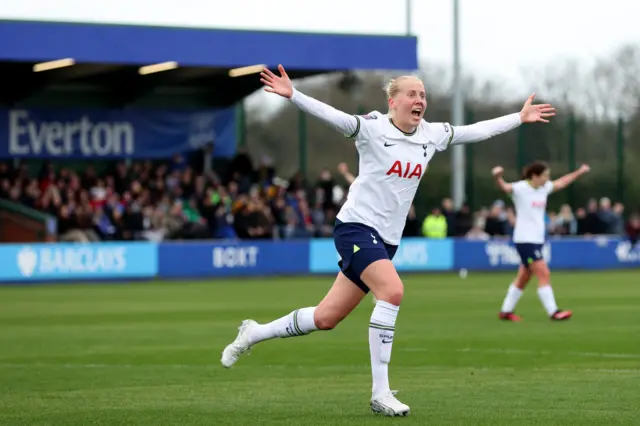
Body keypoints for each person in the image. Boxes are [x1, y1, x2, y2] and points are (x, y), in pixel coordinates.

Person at [221, 64, 556, 417]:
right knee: (392, 292)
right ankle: (381, 392)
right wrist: (295, 96)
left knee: (325, 318)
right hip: (354, 228)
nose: (420, 100)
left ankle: (254, 333)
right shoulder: (371, 128)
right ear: (393, 102)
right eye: (412, 94)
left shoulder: (432, 134)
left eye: (423, 95)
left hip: (386, 241)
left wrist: (518, 118)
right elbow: (334, 117)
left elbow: (475, 131)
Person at [492, 162, 590, 322]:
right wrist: (497, 177)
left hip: (536, 240)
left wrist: (579, 172)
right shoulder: (521, 188)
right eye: (545, 175)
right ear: (535, 176)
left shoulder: (544, 188)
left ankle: (506, 311)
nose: (547, 179)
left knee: (524, 276)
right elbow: (504, 187)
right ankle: (554, 312)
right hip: (525, 240)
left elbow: (562, 182)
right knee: (544, 273)